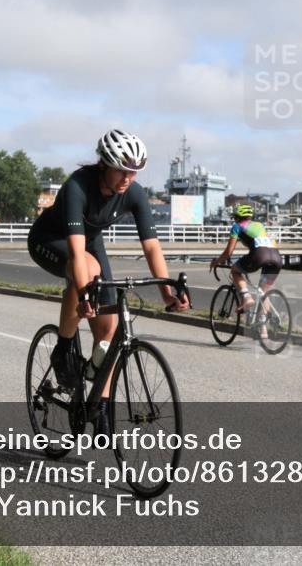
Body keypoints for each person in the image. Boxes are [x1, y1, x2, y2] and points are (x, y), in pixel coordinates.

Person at [27, 130, 188, 415]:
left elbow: (152, 248)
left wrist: (166, 293)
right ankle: (63, 349)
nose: (128, 178)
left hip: (90, 243)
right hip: (50, 240)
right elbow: (77, 253)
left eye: (134, 172)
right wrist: (84, 296)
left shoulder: (134, 193)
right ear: (104, 164)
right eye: (122, 170)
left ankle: (100, 402)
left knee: (108, 330)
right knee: (88, 269)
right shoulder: (78, 186)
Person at [209, 203, 284, 339]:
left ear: (237, 217)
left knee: (235, 271)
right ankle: (263, 329)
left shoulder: (237, 227)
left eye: (234, 218)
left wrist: (217, 262)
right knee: (263, 292)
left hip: (259, 255)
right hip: (276, 256)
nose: (234, 220)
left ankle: (246, 298)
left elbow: (228, 252)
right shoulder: (259, 225)